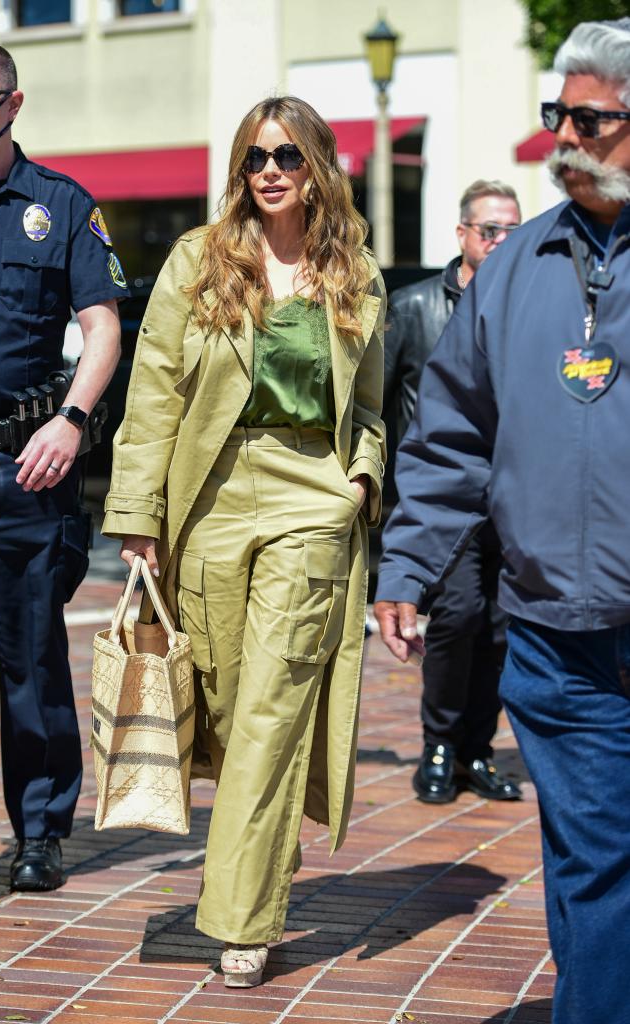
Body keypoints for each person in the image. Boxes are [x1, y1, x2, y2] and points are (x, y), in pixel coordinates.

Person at [374, 17, 630, 1024]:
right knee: (590, 859)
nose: (565, 137)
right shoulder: (515, 267)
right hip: (553, 632)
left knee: (601, 867)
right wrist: (407, 565)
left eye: (591, 120)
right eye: (553, 115)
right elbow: (449, 437)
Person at [102, 95, 385, 988]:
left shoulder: (355, 274)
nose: (270, 170)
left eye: (289, 157)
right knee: (222, 703)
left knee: (269, 706)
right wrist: (138, 517)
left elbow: (369, 405)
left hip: (311, 496)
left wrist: (361, 478)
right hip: (210, 496)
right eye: (256, 156)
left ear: (319, 168)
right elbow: (152, 397)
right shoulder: (199, 259)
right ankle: (252, 874)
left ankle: (240, 920)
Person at [0, 39, 125, 916]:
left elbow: (103, 325)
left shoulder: (61, 206)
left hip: (27, 466)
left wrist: (72, 420)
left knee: (32, 657)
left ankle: (39, 832)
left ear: (13, 104)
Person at [383, 180, 522, 803]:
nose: (500, 242)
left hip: (513, 496)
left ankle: (476, 749)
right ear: (462, 233)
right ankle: (438, 745)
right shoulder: (414, 308)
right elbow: (379, 404)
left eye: (512, 232)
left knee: (499, 626)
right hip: (444, 496)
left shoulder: (526, 303)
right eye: (489, 230)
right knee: (459, 615)